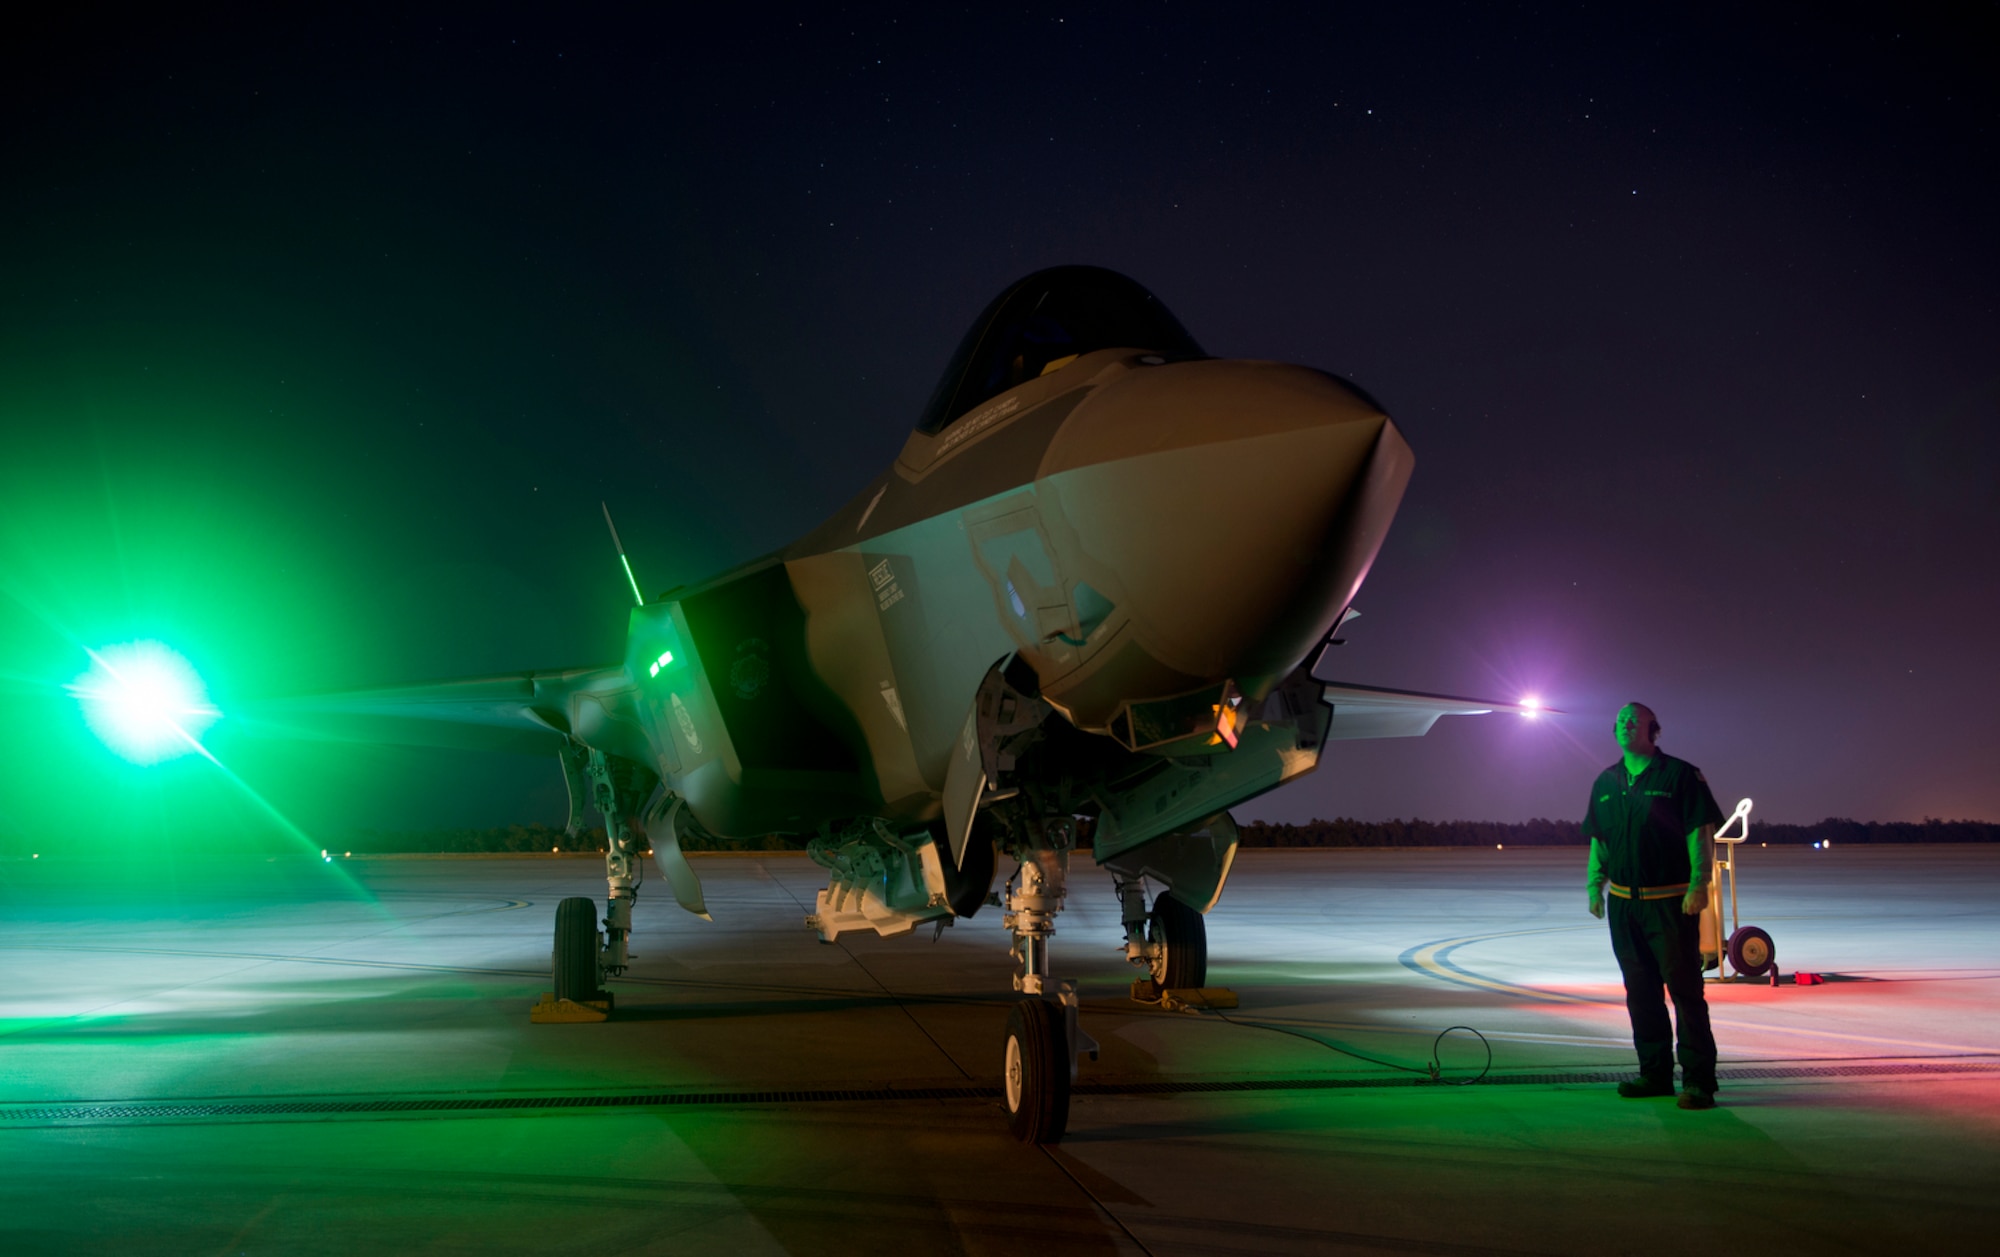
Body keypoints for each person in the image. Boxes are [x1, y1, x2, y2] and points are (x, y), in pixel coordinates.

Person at [1584, 702, 1725, 1110]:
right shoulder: (1606, 782)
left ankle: (1699, 1081)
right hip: (1625, 906)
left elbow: (1700, 833)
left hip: (1670, 904)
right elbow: (1601, 840)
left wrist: (1700, 884)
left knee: (1685, 992)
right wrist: (1596, 886)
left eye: (1635, 721)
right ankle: (1655, 1074)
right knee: (1641, 992)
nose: (1626, 726)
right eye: (1620, 722)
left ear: (1653, 729)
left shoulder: (1681, 776)